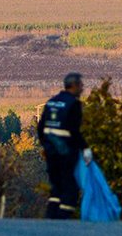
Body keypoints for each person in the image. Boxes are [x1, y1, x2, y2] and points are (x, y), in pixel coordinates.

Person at [37, 72, 90, 220]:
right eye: (80, 85)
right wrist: (85, 148)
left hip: (50, 152)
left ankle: (51, 217)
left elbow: (41, 128)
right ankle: (62, 221)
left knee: (56, 186)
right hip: (66, 153)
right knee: (70, 187)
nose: (82, 88)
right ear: (73, 86)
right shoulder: (73, 104)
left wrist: (46, 146)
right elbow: (74, 131)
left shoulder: (52, 102)